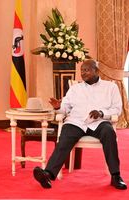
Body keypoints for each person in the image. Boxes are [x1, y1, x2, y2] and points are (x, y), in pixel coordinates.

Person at [33, 59, 127, 190]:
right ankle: (48, 174)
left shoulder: (110, 87)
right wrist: (58, 107)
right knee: (64, 137)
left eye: (87, 70)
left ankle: (116, 176)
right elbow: (65, 108)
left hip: (99, 122)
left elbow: (117, 109)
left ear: (96, 71)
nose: (83, 73)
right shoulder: (75, 88)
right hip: (77, 122)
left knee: (109, 132)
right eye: (82, 70)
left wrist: (101, 113)